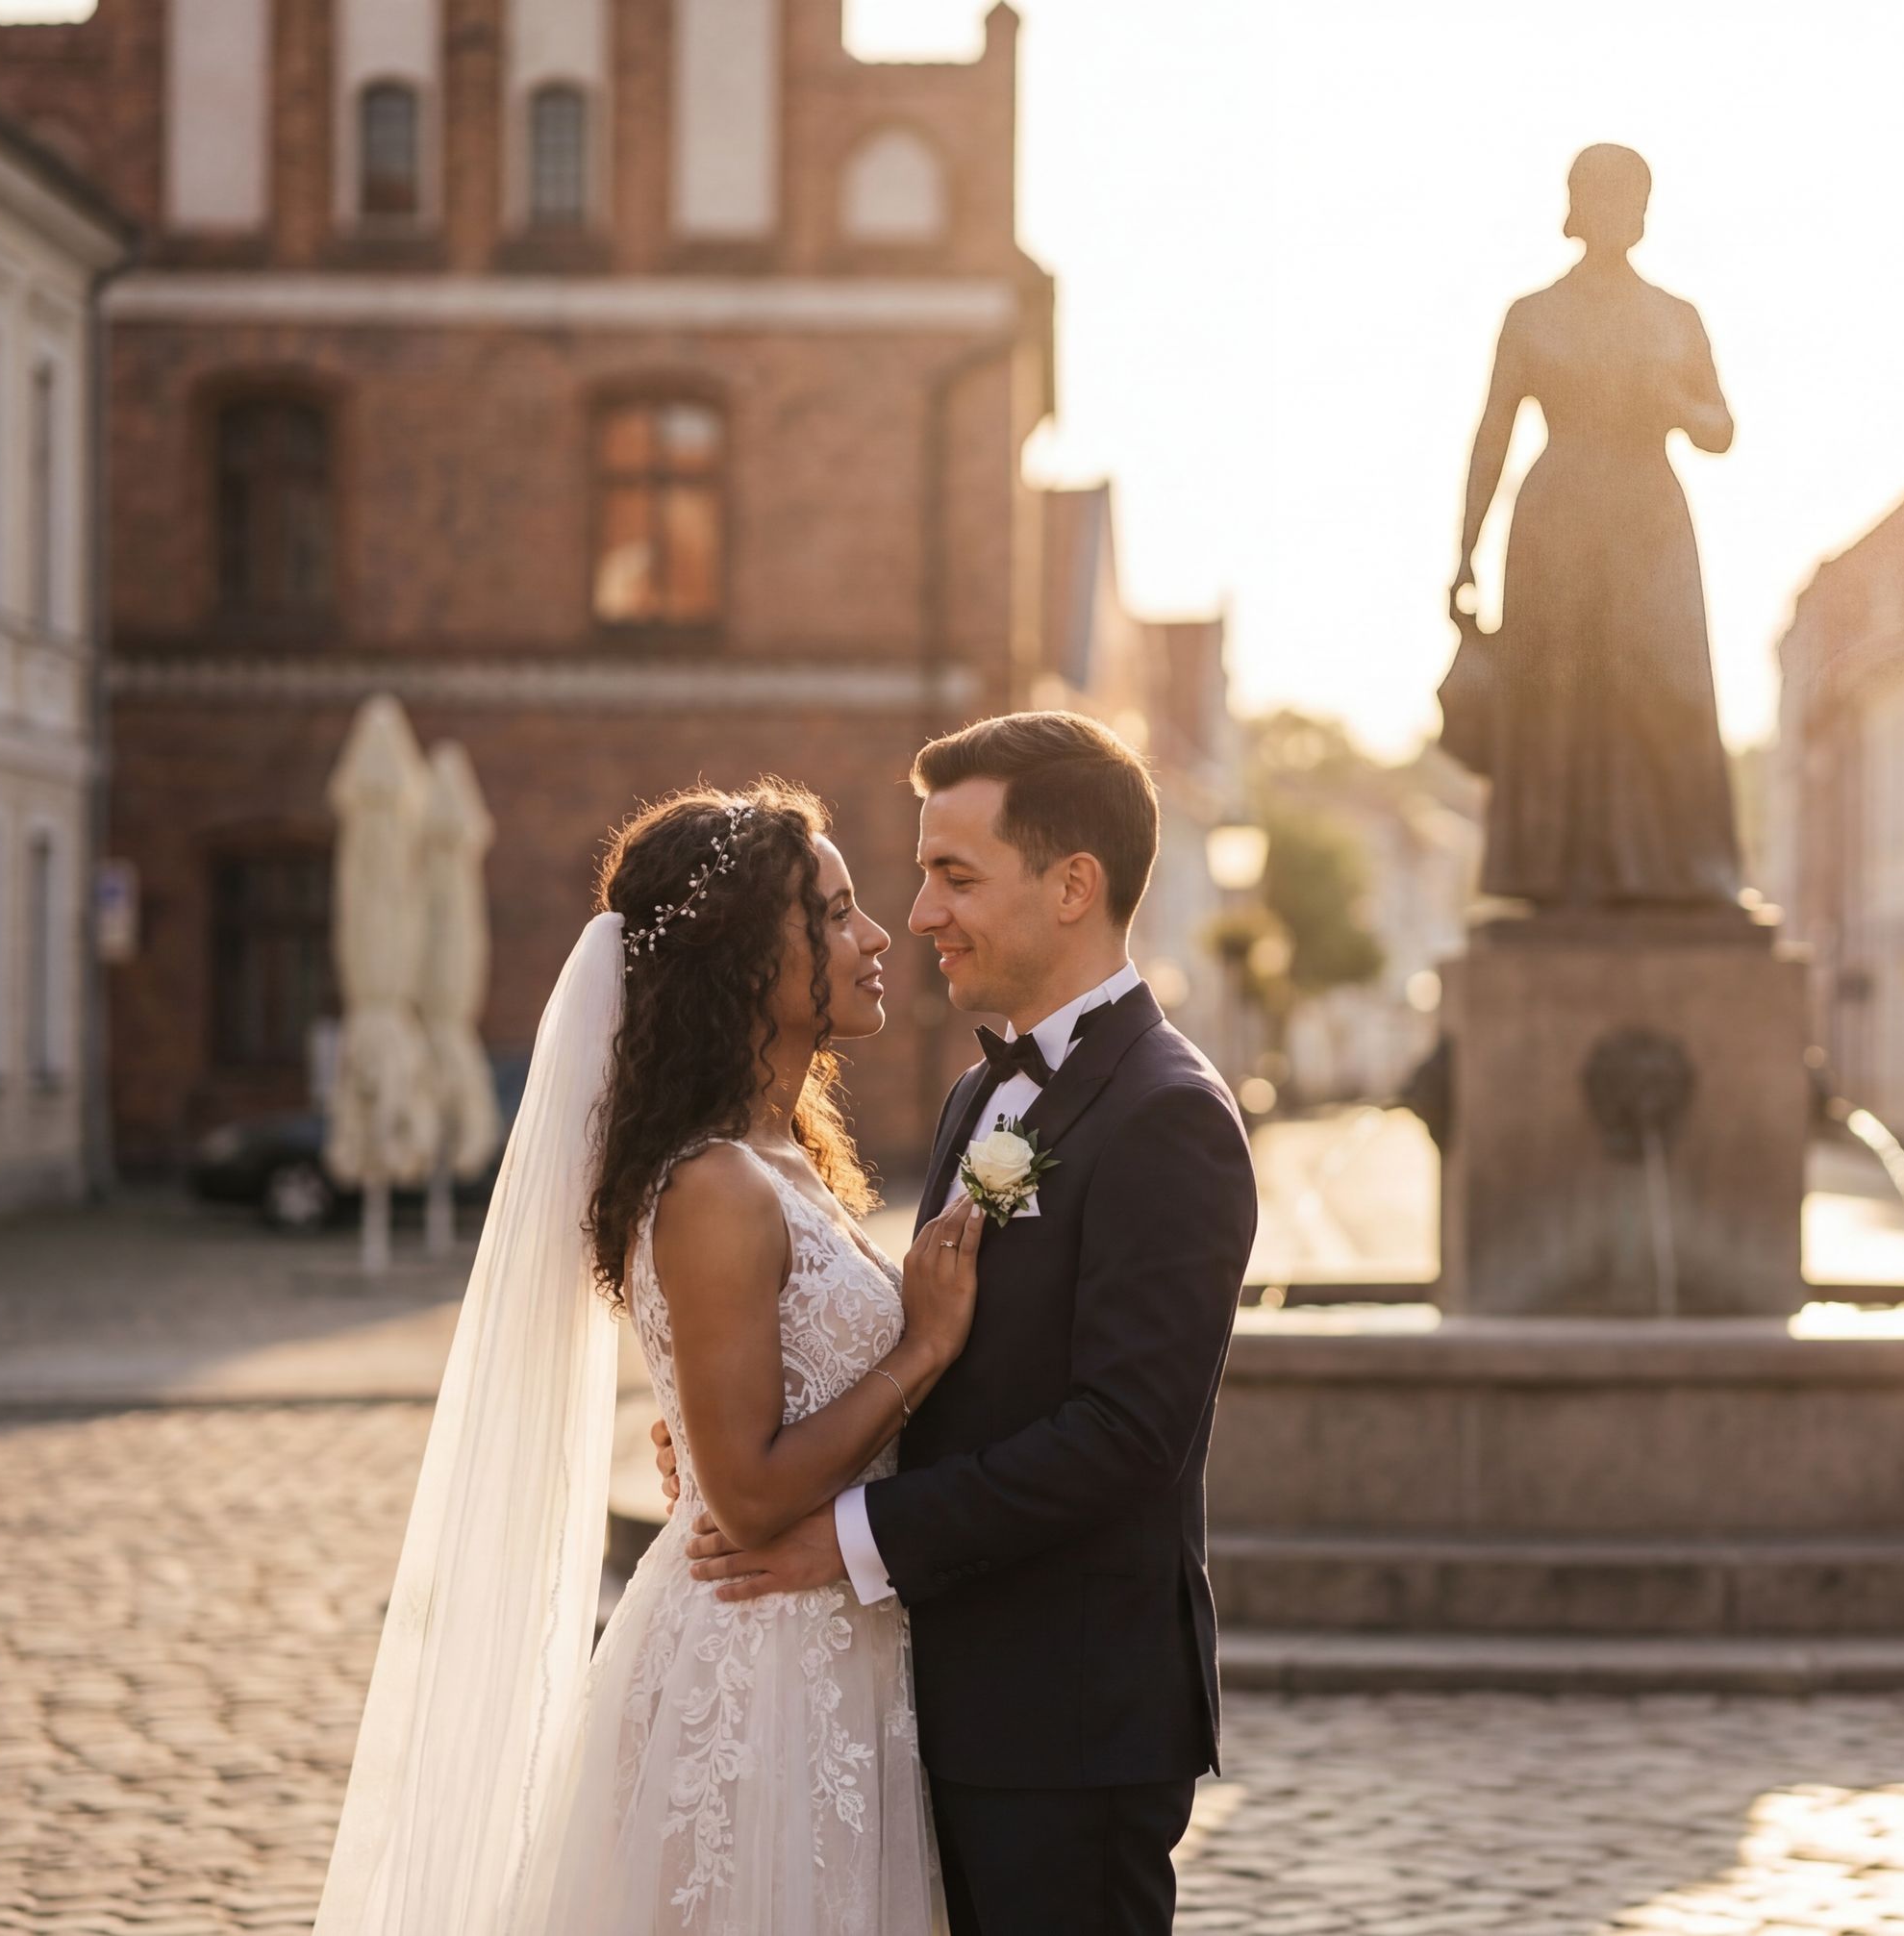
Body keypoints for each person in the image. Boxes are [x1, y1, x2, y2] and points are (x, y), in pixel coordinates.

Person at [315, 777, 973, 1934]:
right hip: (756, 1668)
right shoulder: (714, 1184)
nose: (876, 938)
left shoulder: (782, 1155)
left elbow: (762, 1406)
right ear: (744, 960)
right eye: (834, 914)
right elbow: (750, 1495)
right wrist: (921, 1348)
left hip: (828, 1646)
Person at [664, 712, 1259, 1936]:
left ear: (1072, 886)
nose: (922, 912)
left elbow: (1123, 1437)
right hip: (925, 1703)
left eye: (956, 876)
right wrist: (733, 1426)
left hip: (1067, 1722)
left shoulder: (1170, 1116)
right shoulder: (978, 1096)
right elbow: (945, 1364)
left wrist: (845, 1536)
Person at [1446, 141, 1746, 908]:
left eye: (1632, 199)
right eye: (1603, 196)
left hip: (1650, 519)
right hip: (1559, 519)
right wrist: (1465, 552)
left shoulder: (1675, 317)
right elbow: (1492, 436)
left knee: (1666, 685)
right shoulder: (1534, 315)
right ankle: (1558, 874)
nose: (1619, 213)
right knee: (1559, 698)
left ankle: (1683, 870)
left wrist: (1674, 403)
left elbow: (1721, 428)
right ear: (1576, 206)